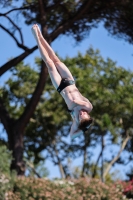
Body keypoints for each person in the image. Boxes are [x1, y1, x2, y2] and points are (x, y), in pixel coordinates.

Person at [31, 24, 93, 140]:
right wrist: (81, 119)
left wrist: (83, 128)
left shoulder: (76, 120)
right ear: (88, 115)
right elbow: (75, 101)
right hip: (70, 81)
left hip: (60, 87)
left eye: (80, 117)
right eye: (83, 115)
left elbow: (72, 135)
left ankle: (37, 38)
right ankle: (40, 34)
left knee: (49, 64)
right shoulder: (89, 107)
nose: (81, 114)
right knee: (55, 58)